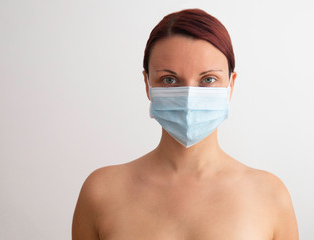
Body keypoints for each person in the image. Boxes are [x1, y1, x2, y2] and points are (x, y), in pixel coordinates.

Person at [72, 8, 298, 240]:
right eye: (169, 80)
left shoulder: (270, 195)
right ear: (147, 83)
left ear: (231, 85)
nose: (189, 95)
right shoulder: (101, 192)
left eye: (208, 79)